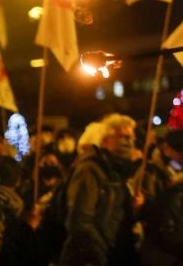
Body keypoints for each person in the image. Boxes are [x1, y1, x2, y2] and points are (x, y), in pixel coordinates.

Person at [60, 113, 140, 266]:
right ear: (105, 140)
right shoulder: (90, 169)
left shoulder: (118, 172)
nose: (129, 143)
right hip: (91, 258)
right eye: (123, 137)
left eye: (131, 138)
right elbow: (80, 221)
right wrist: (101, 255)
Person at [140, 129, 183, 204]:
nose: (182, 156)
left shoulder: (181, 167)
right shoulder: (151, 170)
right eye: (179, 151)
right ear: (166, 147)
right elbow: (150, 199)